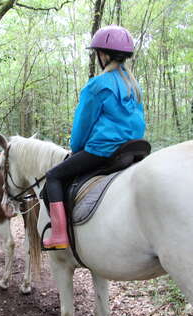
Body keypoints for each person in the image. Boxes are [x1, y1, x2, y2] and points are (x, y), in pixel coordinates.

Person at [42, 25, 146, 250]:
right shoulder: (134, 85)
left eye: (98, 52)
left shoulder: (97, 85)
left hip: (104, 150)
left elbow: (82, 125)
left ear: (103, 55)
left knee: (53, 177)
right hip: (134, 148)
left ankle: (59, 235)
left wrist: (76, 148)